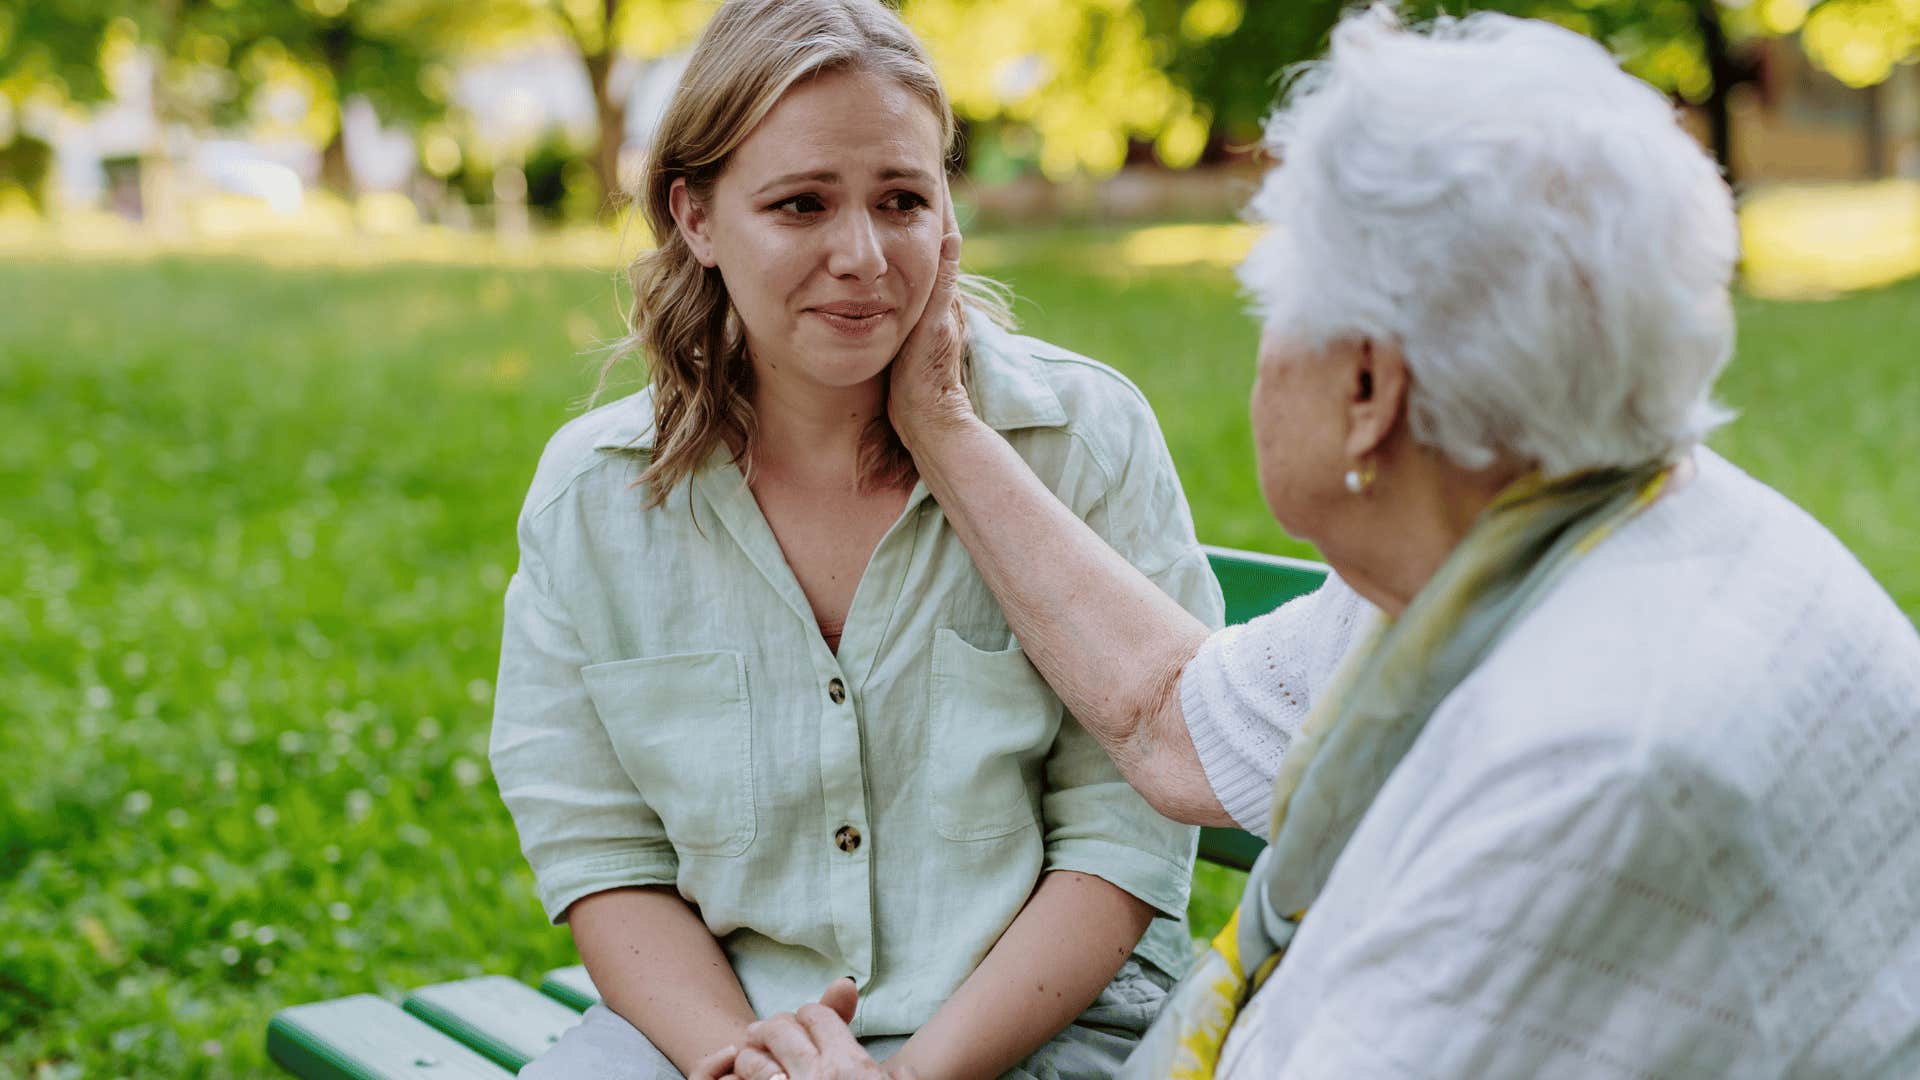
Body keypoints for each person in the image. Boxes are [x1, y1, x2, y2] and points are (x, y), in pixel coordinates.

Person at [725, 8, 1920, 1079]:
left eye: (1273, 315)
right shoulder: (1559, 531)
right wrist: (942, 425)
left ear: (1366, 391)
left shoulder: (1594, 762)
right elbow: (1170, 719)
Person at [486, 1, 1224, 1077]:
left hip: (1056, 1024)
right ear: (695, 216)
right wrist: (741, 1064)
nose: (864, 256)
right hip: (725, 1027)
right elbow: (605, 856)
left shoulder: (1081, 444)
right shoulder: (595, 501)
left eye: (902, 200)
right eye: (800, 205)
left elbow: (1124, 836)